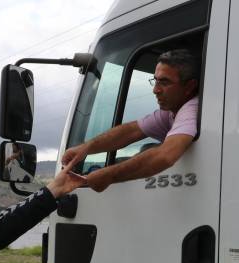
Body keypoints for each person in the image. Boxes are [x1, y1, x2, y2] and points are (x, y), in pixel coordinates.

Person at [62, 48, 200, 192]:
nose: (155, 90)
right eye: (155, 81)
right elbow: (131, 131)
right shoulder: (171, 111)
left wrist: (109, 175)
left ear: (189, 86)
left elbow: (166, 155)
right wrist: (85, 148)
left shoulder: (192, 108)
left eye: (164, 82)